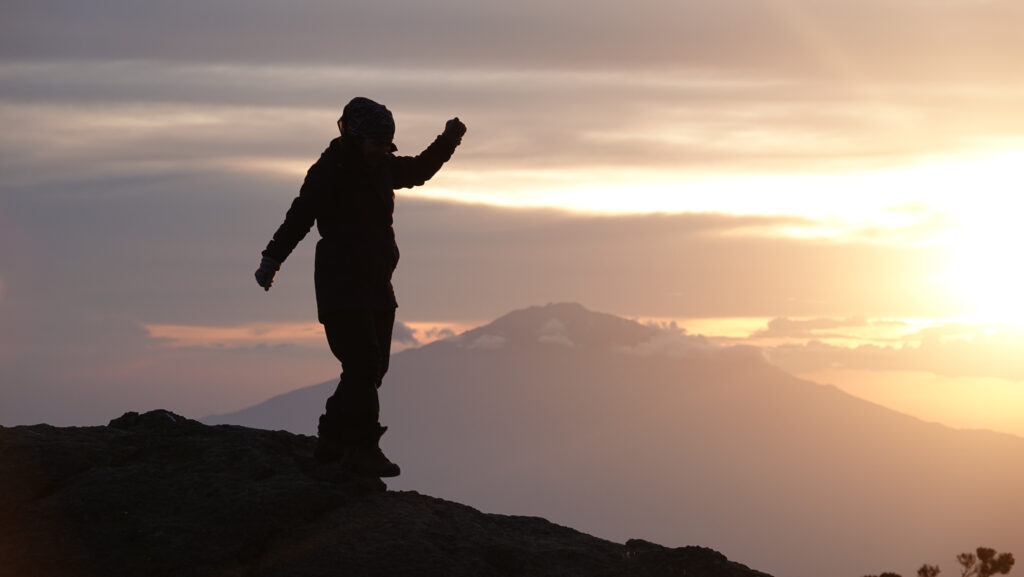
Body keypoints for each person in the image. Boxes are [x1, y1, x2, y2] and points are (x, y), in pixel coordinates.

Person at [254, 97, 466, 477]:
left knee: (372, 369)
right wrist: (272, 259)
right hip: (340, 283)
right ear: (354, 136)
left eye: (386, 145)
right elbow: (300, 217)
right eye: (376, 144)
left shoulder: (382, 168)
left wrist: (448, 141)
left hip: (377, 284)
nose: (382, 151)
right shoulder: (329, 171)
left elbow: (418, 170)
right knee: (362, 365)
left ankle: (334, 439)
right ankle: (363, 447)